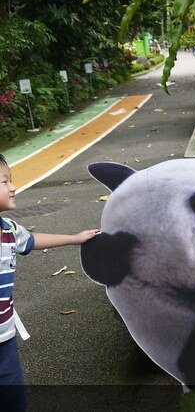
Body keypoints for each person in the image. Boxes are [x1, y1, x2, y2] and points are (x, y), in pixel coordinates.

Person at [0, 154, 99, 410]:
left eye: (11, 180)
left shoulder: (9, 230)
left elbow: (32, 241)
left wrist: (74, 238)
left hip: (5, 337)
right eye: (4, 182)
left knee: (13, 400)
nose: (13, 187)